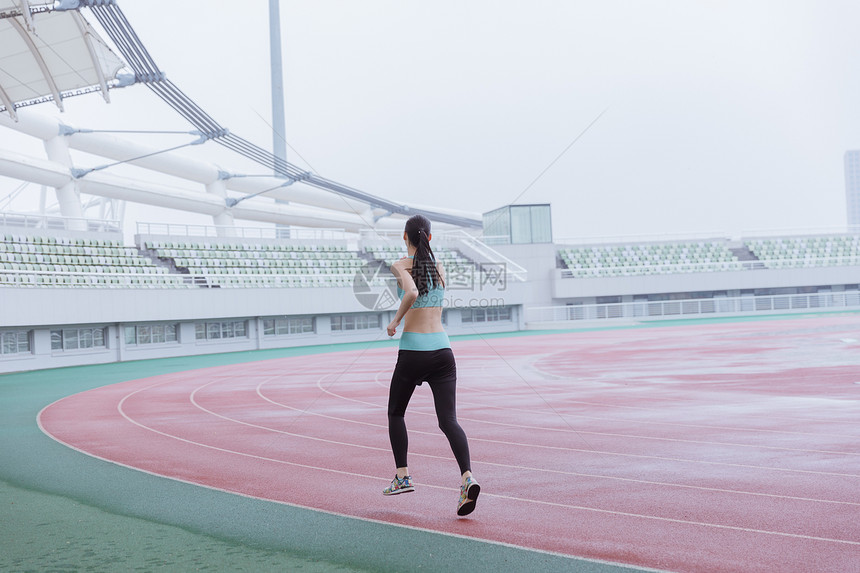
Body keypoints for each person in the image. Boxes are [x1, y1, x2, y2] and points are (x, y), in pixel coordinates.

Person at [383, 214, 480, 517]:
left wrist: (395, 322)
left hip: (413, 351)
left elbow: (411, 292)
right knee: (448, 420)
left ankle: (402, 476)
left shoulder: (400, 265)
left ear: (405, 236)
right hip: (443, 351)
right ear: (430, 238)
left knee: (396, 412)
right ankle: (467, 478)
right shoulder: (439, 267)